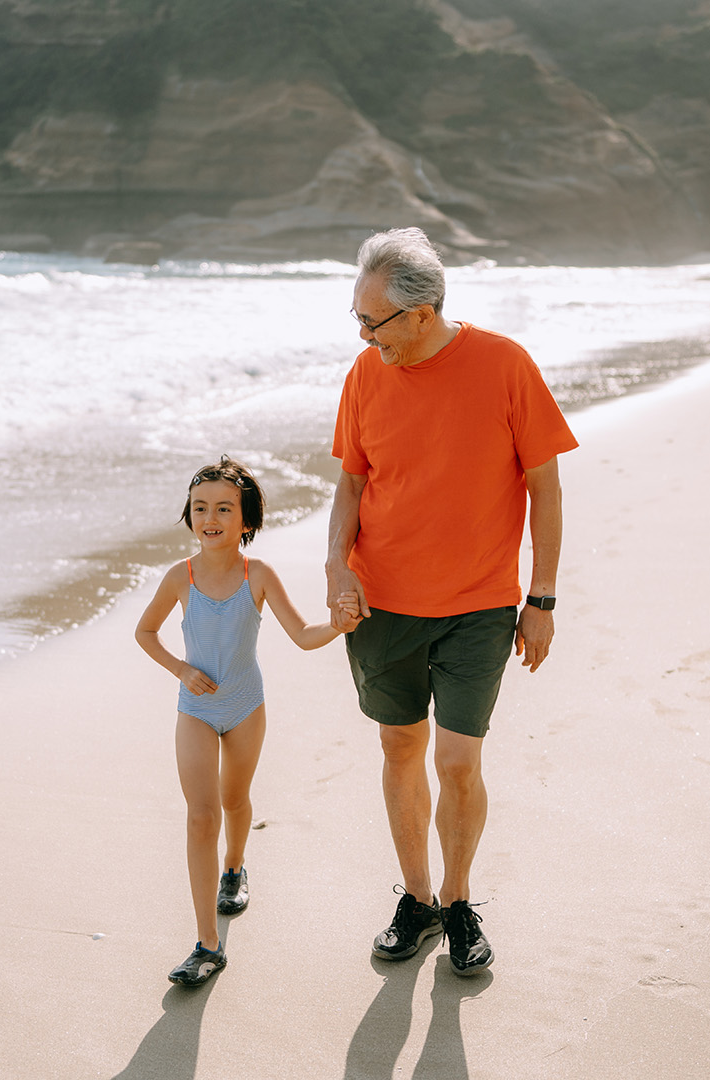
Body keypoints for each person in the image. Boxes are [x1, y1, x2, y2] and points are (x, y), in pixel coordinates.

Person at [326, 227, 577, 976]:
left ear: (423, 313)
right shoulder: (366, 374)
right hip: (381, 607)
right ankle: (419, 900)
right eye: (357, 320)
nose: (365, 336)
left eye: (374, 322)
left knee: (459, 761)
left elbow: (545, 488)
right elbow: (351, 483)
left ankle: (460, 902)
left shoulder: (505, 365)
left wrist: (544, 598)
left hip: (479, 607)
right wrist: (337, 565)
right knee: (399, 749)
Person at [135, 457, 359, 986]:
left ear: (246, 521)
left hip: (244, 709)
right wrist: (181, 669)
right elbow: (146, 633)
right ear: (189, 517)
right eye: (199, 508)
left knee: (235, 801)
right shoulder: (179, 577)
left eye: (223, 508)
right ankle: (206, 944)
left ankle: (234, 866)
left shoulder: (257, 575)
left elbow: (303, 635)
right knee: (200, 816)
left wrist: (339, 624)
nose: (210, 516)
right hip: (195, 710)